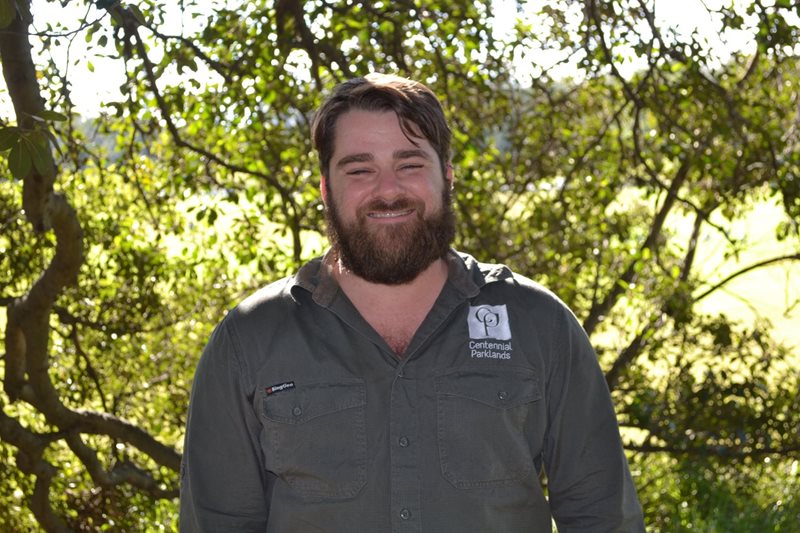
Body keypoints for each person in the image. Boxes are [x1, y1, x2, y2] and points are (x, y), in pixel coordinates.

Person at [179, 73, 645, 532]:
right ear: (325, 189)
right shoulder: (249, 341)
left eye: (410, 164)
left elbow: (603, 517)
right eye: (360, 169)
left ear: (446, 176)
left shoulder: (539, 326)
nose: (387, 190)